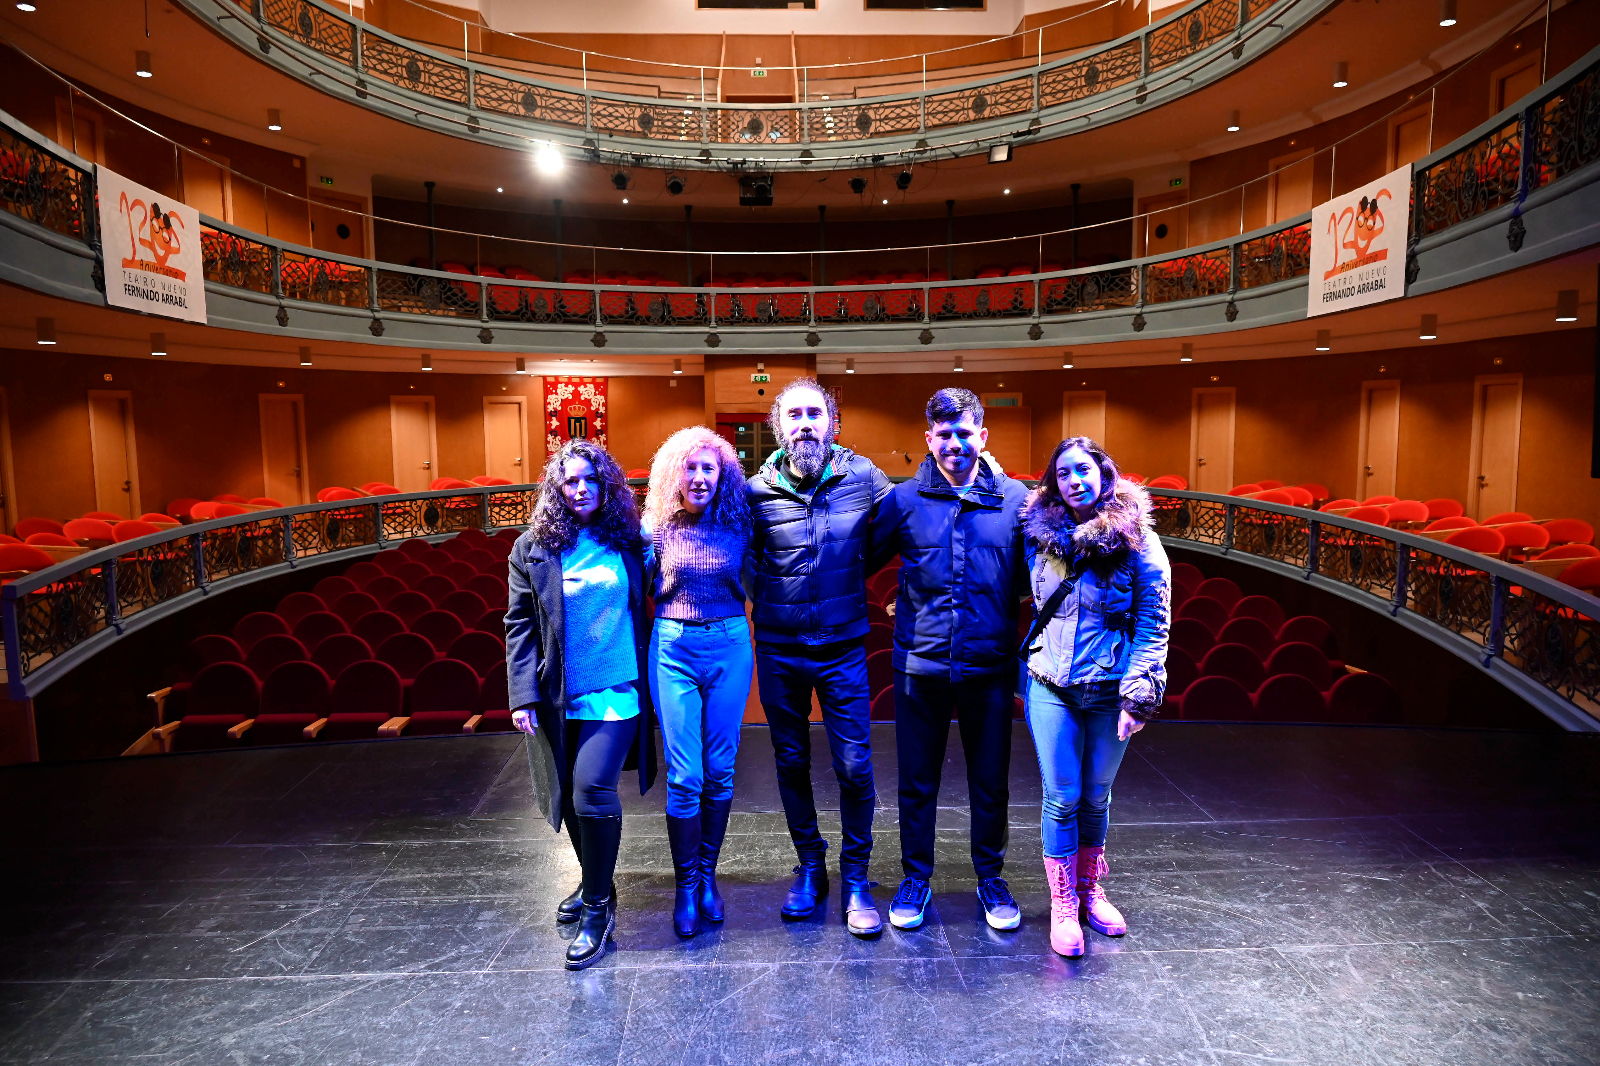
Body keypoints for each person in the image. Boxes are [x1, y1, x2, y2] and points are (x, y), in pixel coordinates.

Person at [868, 388, 1029, 932]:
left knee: (990, 782)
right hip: (921, 666)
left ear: (984, 436)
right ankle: (916, 878)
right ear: (928, 440)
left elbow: (1039, 578)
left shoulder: (1016, 501)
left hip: (989, 666)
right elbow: (863, 557)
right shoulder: (905, 499)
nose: (955, 444)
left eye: (965, 433)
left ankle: (991, 877)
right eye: (944, 435)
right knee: (917, 781)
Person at [747, 376, 893, 937]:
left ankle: (856, 876)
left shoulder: (862, 477)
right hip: (780, 648)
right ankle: (811, 865)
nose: (805, 423)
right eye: (794, 415)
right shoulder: (755, 488)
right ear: (778, 427)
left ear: (832, 422)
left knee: (854, 767)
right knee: (790, 762)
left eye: (815, 413)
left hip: (843, 647)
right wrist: (771, 593)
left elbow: (901, 521)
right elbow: (742, 554)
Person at [507, 439, 657, 971]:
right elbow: (520, 625)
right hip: (557, 695)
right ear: (556, 488)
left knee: (592, 788)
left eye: (590, 480)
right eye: (569, 481)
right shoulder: (532, 549)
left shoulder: (632, 542)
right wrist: (522, 694)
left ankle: (598, 911)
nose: (580, 489)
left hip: (619, 689)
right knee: (567, 799)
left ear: (606, 484)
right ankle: (600, 881)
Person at [1019, 436, 1170, 958]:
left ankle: (1089, 890)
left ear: (1104, 473)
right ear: (1053, 484)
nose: (1074, 481)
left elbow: (1155, 621)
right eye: (1063, 474)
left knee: (1096, 796)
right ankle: (1063, 904)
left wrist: (1138, 696)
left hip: (1110, 692)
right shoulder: (1036, 537)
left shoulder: (1139, 541)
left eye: (1082, 470)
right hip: (1050, 686)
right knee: (1061, 797)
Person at [642, 426, 752, 939]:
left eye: (710, 468)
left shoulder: (740, 524)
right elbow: (634, 580)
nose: (700, 477)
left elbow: (764, 577)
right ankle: (686, 885)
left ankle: (708, 876)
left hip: (730, 643)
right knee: (686, 775)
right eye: (691, 467)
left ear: (723, 474)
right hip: (674, 648)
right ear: (674, 474)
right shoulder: (659, 529)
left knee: (721, 770)